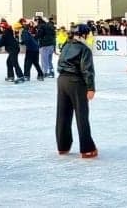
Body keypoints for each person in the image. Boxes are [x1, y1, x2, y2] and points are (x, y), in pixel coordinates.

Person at [55, 24, 97, 158]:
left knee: (63, 114)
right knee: (81, 115)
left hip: (62, 81)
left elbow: (60, 63)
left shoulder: (66, 46)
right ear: (83, 35)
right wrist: (90, 87)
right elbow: (87, 70)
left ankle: (63, 146)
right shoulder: (84, 49)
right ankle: (87, 148)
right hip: (76, 82)